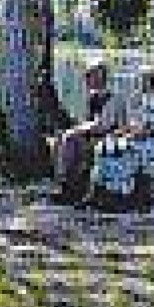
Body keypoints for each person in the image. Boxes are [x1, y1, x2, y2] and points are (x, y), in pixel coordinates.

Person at [90, 67, 154, 214]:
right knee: (108, 146)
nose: (140, 84)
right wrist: (123, 132)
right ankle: (108, 195)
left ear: (149, 83)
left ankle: (116, 197)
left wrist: (128, 135)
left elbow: (148, 128)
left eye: (143, 80)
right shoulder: (150, 100)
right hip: (147, 141)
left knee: (116, 152)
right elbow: (137, 125)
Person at [51, 61, 123, 204]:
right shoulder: (92, 99)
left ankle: (71, 186)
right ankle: (66, 183)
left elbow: (103, 124)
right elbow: (86, 121)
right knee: (62, 139)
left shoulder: (112, 99)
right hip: (91, 134)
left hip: (107, 136)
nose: (87, 79)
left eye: (90, 76)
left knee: (71, 140)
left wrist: (78, 130)